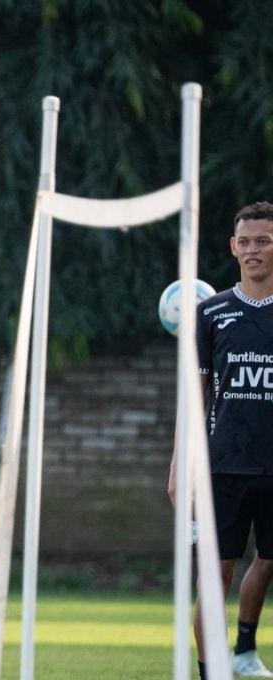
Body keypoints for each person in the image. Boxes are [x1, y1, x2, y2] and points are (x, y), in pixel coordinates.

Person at [169, 202, 273, 679]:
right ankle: (212, 672)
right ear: (233, 247)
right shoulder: (210, 314)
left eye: (264, 241)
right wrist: (179, 466)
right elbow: (194, 396)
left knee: (268, 561)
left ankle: (245, 649)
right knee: (215, 576)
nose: (254, 250)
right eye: (246, 242)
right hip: (222, 468)